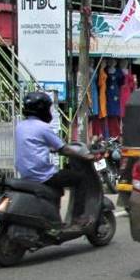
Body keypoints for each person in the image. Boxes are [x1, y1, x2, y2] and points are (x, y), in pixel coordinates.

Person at [15, 91, 95, 223]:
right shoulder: (43, 127)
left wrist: (49, 149)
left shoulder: (20, 126)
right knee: (80, 179)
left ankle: (53, 217)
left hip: (25, 174)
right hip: (42, 175)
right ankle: (78, 217)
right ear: (42, 110)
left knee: (59, 182)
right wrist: (85, 156)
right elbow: (63, 149)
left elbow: (33, 144)